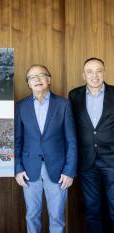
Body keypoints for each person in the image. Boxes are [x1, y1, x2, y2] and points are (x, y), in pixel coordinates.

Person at [15, 64, 77, 233]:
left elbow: (71, 140)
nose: (37, 79)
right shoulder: (21, 107)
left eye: (41, 75)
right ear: (28, 83)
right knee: (32, 215)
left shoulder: (63, 104)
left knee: (57, 216)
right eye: (32, 77)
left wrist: (69, 171)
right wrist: (18, 169)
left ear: (48, 80)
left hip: (58, 170)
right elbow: (17, 141)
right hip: (29, 170)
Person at [68, 57, 114, 233]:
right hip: (87, 162)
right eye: (90, 71)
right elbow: (71, 127)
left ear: (104, 73)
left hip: (112, 160)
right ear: (83, 75)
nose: (94, 75)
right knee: (92, 209)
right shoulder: (74, 95)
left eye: (98, 71)